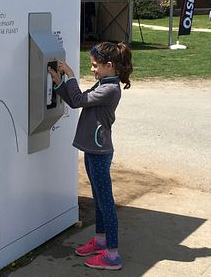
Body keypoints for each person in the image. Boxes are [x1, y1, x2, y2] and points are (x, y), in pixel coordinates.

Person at [48, 42, 133, 271]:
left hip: (99, 152)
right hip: (92, 150)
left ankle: (112, 255)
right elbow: (81, 98)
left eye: (96, 65)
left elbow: (79, 101)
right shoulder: (104, 83)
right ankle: (101, 240)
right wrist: (60, 84)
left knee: (106, 203)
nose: (93, 69)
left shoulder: (110, 89)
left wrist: (71, 77)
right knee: (98, 199)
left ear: (109, 66)